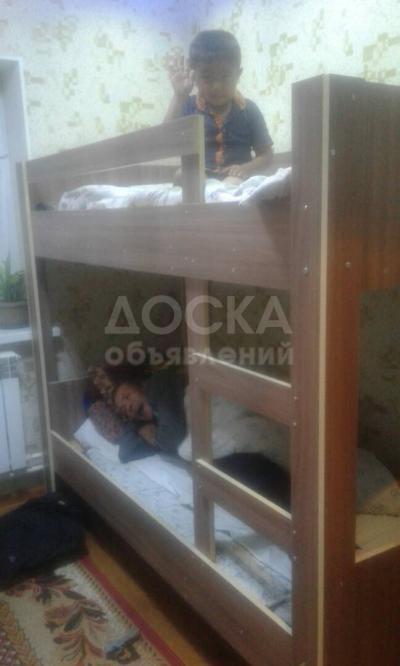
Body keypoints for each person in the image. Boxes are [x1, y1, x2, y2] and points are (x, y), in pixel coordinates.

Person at [165, 30, 273, 181]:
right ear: (194, 77)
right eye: (207, 77)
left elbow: (267, 155)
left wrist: (245, 168)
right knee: (182, 175)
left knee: (233, 182)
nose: (217, 86)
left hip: (236, 178)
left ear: (238, 75)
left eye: (225, 76)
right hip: (198, 178)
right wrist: (179, 97)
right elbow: (165, 141)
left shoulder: (249, 110)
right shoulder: (188, 105)